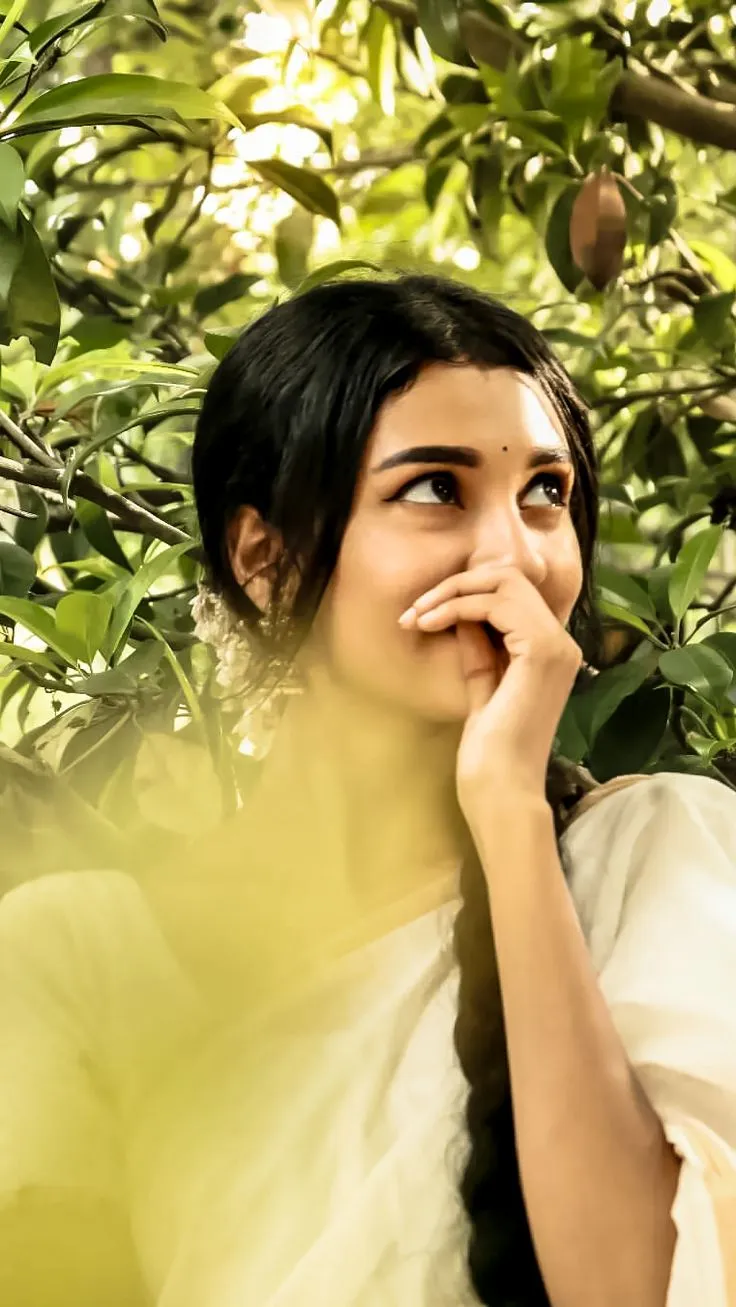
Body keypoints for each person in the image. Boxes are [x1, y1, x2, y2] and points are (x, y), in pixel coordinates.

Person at [1, 270, 735, 1307]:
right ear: (268, 558)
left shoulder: (659, 857)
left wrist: (510, 822)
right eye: (434, 486)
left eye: (546, 491)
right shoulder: (78, 960)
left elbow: (647, 1287)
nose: (515, 553)